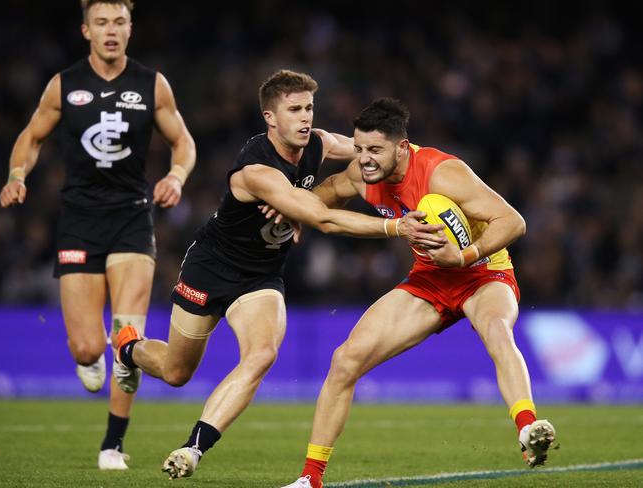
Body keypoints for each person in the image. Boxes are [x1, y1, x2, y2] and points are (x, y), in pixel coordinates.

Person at [113, 70, 437, 480]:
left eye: (309, 108)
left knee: (262, 353)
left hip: (261, 275)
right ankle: (128, 349)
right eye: (295, 109)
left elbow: (373, 150)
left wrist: (416, 160)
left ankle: (193, 448)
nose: (305, 118)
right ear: (270, 118)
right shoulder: (256, 171)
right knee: (176, 372)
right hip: (210, 268)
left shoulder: (317, 143)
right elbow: (323, 220)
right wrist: (395, 226)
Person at [281, 98, 556, 488]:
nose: (365, 160)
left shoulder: (443, 174)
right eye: (359, 149)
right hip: (429, 277)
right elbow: (329, 190)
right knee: (345, 360)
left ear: (401, 146)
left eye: (375, 150)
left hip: (483, 272)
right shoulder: (363, 173)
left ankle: (528, 427)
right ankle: (310, 479)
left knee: (496, 330)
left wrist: (464, 256)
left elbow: (513, 221)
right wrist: (291, 209)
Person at [0, 0, 196, 470]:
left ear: (131, 28)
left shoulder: (152, 84)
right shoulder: (64, 85)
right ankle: (90, 356)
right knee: (89, 348)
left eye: (119, 22)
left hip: (131, 219)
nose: (111, 30)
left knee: (127, 335)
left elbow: (183, 141)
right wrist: (17, 173)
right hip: (79, 222)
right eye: (101, 23)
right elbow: (32, 135)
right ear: (85, 30)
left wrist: (176, 177)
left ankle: (113, 444)